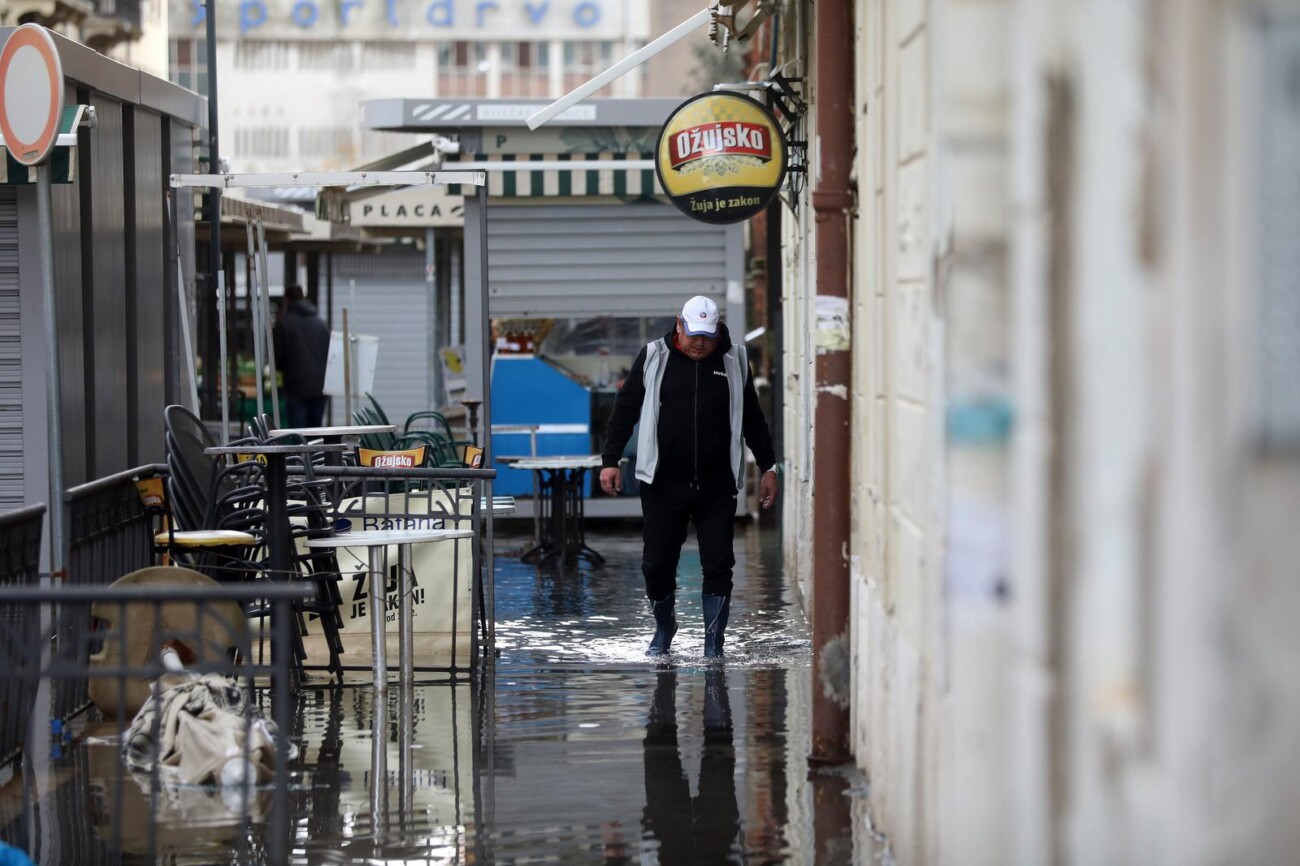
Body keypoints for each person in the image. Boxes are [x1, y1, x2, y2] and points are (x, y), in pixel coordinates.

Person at [599, 295, 779, 658]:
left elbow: (753, 420)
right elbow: (625, 410)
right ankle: (664, 627)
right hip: (664, 482)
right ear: (679, 325)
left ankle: (714, 643)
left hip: (716, 483)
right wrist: (610, 459)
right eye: (693, 334)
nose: (699, 343)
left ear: (717, 331)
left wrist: (769, 466)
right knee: (657, 564)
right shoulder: (653, 356)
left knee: (719, 563)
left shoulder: (734, 359)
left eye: (707, 336)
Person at [272, 285, 330, 429]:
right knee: (316, 432)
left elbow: (277, 357)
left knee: (298, 434)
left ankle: (302, 453)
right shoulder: (320, 323)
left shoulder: (284, 324)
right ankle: (315, 452)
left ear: (287, 300)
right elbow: (329, 355)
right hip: (320, 387)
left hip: (296, 386)